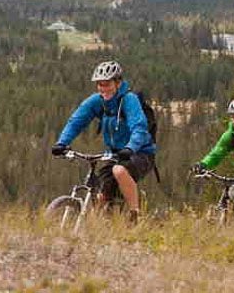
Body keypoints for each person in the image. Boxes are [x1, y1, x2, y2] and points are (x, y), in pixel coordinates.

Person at [51, 60, 156, 222]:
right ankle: (102, 226)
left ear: (118, 82)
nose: (102, 88)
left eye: (107, 84)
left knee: (119, 171)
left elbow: (139, 128)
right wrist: (62, 143)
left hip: (140, 153)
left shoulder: (129, 100)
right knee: (100, 196)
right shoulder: (97, 101)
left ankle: (136, 216)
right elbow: (76, 121)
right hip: (115, 154)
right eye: (99, 84)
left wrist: (130, 148)